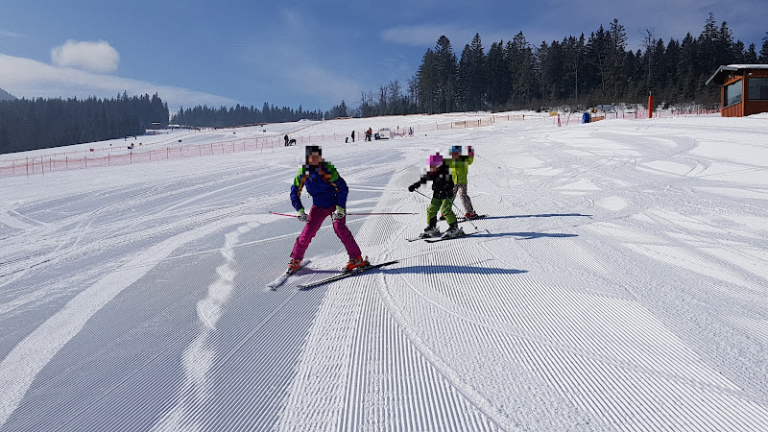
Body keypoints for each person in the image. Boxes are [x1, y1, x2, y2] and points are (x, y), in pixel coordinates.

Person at [288, 146, 368, 273]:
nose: (314, 160)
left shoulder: (327, 170)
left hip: (334, 204)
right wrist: (300, 210)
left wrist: (340, 208)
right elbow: (294, 193)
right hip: (318, 206)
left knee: (339, 229)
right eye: (311, 157)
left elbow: (342, 188)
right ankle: (296, 259)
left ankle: (356, 258)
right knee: (307, 232)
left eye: (316, 157)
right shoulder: (303, 173)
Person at [408, 153, 463, 238]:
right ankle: (432, 227)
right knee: (431, 210)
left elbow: (450, 184)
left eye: (432, 165)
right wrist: (415, 185)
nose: (430, 167)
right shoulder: (433, 172)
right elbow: (424, 179)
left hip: (446, 195)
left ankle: (454, 228)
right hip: (436, 195)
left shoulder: (446, 171)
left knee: (445, 210)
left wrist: (445, 189)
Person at [444, 145, 478, 219]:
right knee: (450, 196)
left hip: (462, 181)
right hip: (453, 181)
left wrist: (470, 151)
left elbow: (470, 160)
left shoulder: (463, 160)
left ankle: (470, 212)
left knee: (463, 195)